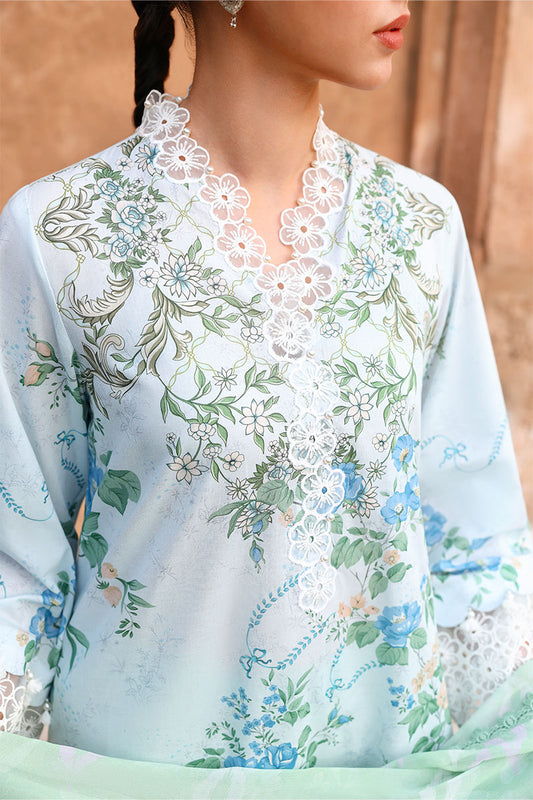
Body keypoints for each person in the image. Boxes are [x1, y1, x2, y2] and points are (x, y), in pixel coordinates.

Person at [1, 0, 532, 785]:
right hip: (135, 778)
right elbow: (17, 563)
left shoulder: (420, 228)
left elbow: (474, 544)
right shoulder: (60, 235)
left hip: (390, 775)